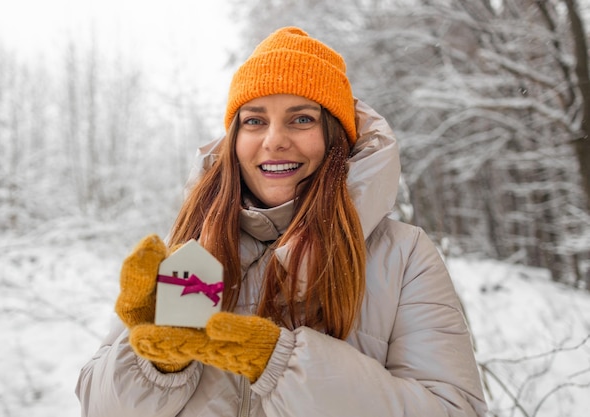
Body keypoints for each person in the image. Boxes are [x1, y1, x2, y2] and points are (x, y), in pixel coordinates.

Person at [75, 26, 487, 417]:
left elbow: (453, 408)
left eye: (301, 119)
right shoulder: (188, 249)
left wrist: (287, 367)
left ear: (334, 138)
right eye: (254, 120)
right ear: (235, 139)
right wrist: (152, 365)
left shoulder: (403, 256)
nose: (274, 140)